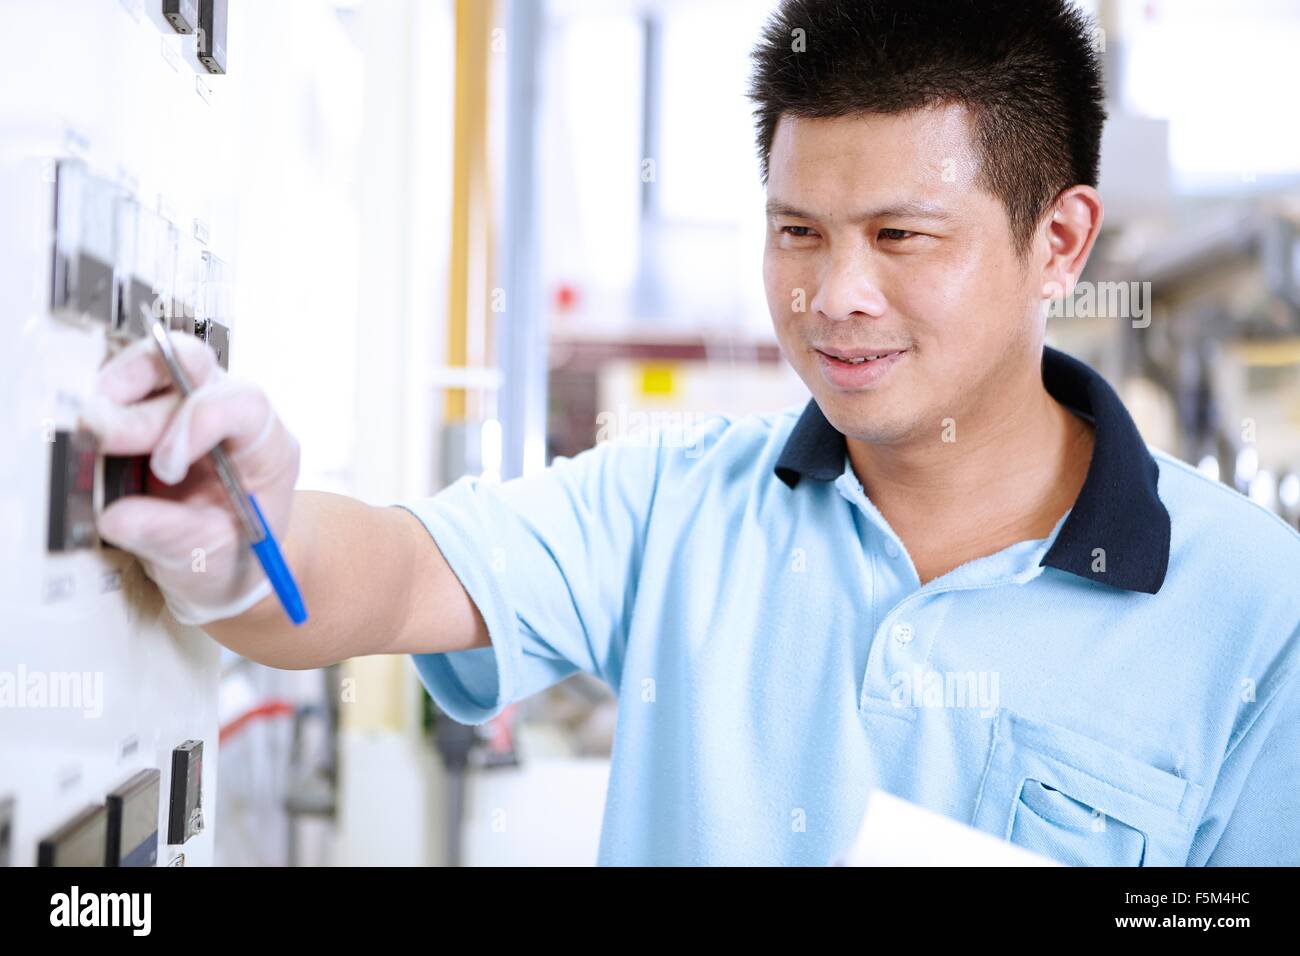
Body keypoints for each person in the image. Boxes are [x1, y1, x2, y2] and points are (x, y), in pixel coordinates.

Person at [83, 0, 1300, 866]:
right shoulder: (676, 503)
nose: (835, 296)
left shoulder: (1257, 610)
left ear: (1062, 242)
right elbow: (395, 576)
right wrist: (238, 542)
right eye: (796, 231)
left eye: (899, 236)